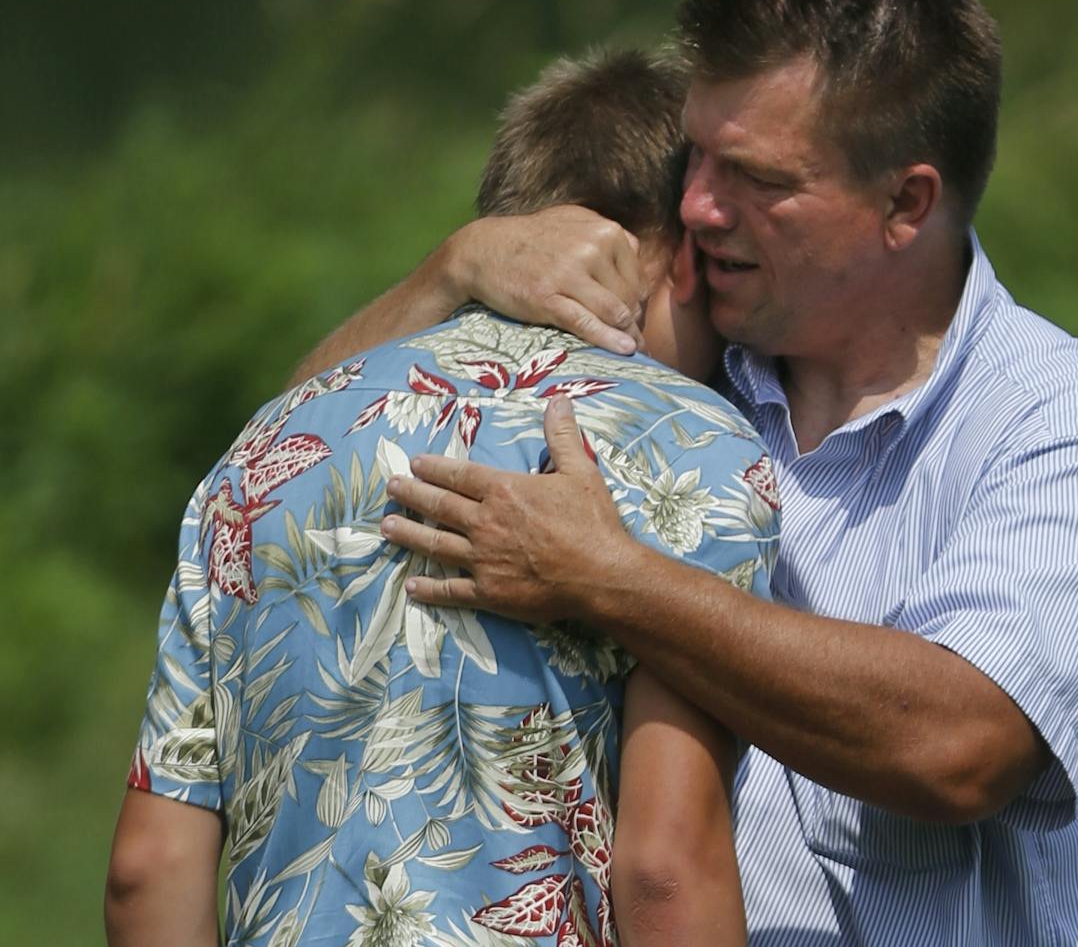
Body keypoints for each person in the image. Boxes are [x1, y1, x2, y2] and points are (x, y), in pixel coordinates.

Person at [288, 0, 1078, 945]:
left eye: (756, 178)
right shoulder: (680, 362)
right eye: (696, 154)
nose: (698, 206)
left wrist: (611, 578)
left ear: (905, 202)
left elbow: (956, 744)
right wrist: (450, 271)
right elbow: (290, 461)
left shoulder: (1067, 426)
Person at [105, 49, 780, 947]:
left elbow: (144, 872)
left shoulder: (263, 455)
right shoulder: (701, 455)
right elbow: (664, 872)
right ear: (686, 252)